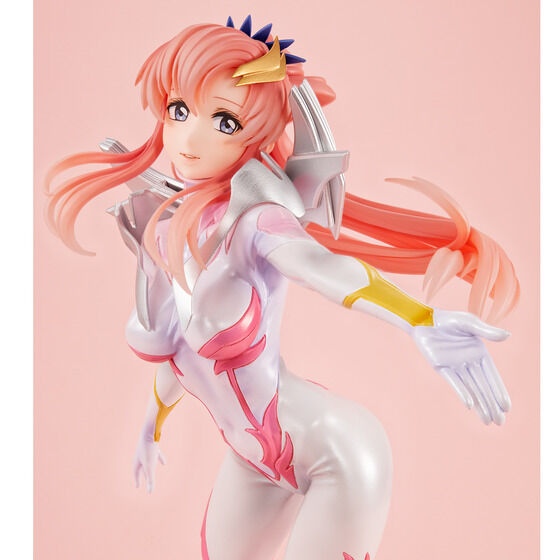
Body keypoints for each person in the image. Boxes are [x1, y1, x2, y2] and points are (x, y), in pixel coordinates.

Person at [45, 16, 519, 560]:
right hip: (253, 461)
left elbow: (321, 266)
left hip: (335, 451)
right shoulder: (169, 231)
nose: (190, 138)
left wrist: (418, 318)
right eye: (179, 110)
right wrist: (152, 428)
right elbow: (180, 356)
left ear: (256, 138)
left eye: (224, 121)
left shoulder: (257, 221)